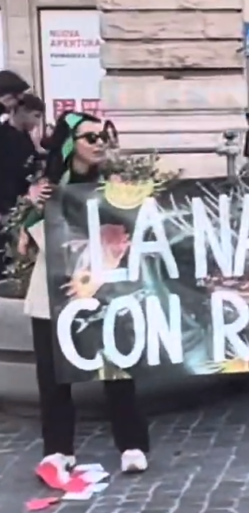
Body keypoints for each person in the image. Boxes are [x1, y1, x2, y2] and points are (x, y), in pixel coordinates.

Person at [21, 112, 150, 484]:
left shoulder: (115, 184)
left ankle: (132, 445)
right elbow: (25, 243)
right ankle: (58, 451)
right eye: (90, 137)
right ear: (69, 144)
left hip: (106, 293)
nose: (99, 143)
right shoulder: (48, 188)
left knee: (117, 369)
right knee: (55, 379)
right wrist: (33, 206)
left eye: (103, 136)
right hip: (54, 296)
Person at [0, 94, 44, 218]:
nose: (38, 122)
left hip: (22, 205)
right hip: (5, 207)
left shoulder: (26, 137)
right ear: (22, 111)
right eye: (36, 116)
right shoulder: (3, 136)